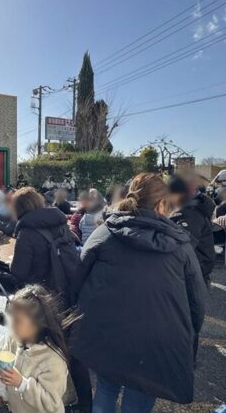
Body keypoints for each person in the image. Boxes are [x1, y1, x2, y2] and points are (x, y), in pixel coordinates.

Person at [71, 173, 207, 412]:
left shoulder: (105, 232)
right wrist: (189, 334)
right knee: (140, 396)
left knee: (106, 388)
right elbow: (197, 300)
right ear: (162, 203)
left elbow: (78, 278)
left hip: (107, 331)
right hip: (156, 341)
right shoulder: (180, 244)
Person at [0, 284, 76, 413]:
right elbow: (0, 353)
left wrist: (22, 383)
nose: (11, 324)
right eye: (11, 317)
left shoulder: (53, 361)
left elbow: (52, 404)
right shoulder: (13, 338)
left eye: (18, 320)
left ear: (38, 324)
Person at [7, 187, 71, 290]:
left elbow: (19, 273)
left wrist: (11, 263)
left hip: (40, 290)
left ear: (18, 208)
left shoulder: (26, 233)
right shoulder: (61, 223)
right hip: (64, 282)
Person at [168, 175, 217, 287]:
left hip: (195, 271)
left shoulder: (191, 214)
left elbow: (182, 247)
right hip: (198, 265)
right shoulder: (191, 209)